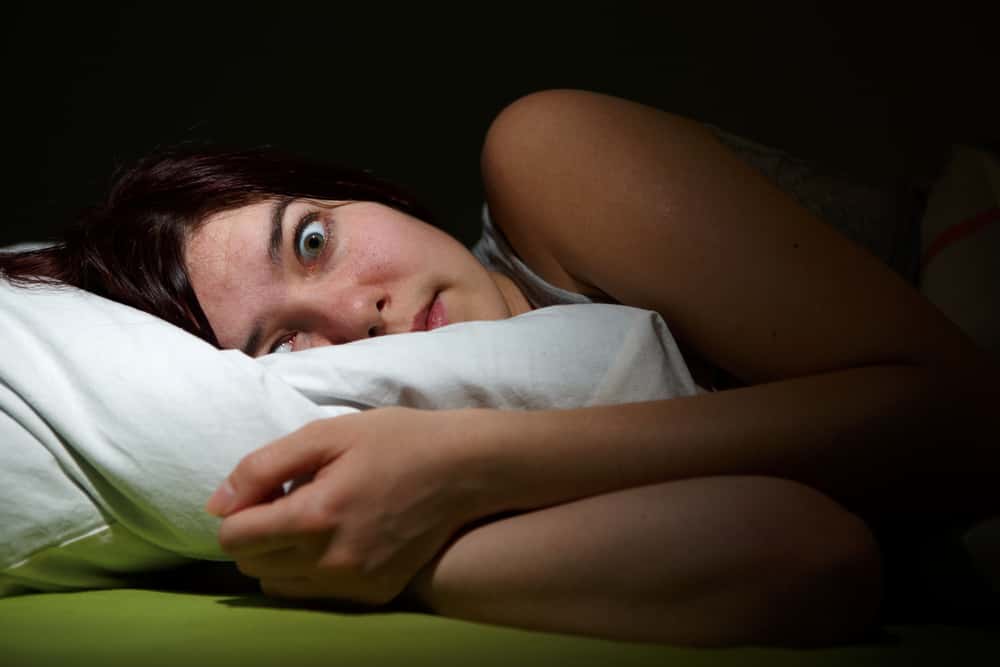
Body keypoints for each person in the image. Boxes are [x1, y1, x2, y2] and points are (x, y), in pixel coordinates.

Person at [1, 89, 996, 647]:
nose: (358, 311)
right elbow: (809, 553)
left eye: (311, 241)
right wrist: (395, 546)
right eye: (285, 346)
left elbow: (965, 420)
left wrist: (477, 460)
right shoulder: (408, 478)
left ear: (350, 191)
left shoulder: (552, 154)